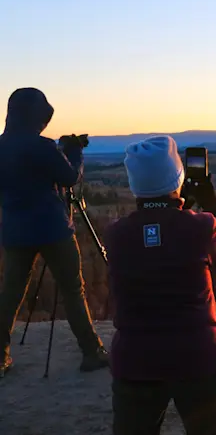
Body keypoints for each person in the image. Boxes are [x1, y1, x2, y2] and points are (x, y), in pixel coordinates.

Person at [105, 135, 216, 435]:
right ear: (176, 177)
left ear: (134, 184)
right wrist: (211, 204)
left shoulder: (115, 234)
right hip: (199, 356)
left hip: (135, 358)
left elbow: (155, 241)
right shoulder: (201, 226)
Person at [0, 87, 109, 379]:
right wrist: (74, 153)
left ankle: (1, 357)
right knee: (73, 290)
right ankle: (92, 352)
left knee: (10, 294)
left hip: (14, 231)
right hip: (53, 229)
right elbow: (70, 177)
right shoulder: (43, 147)